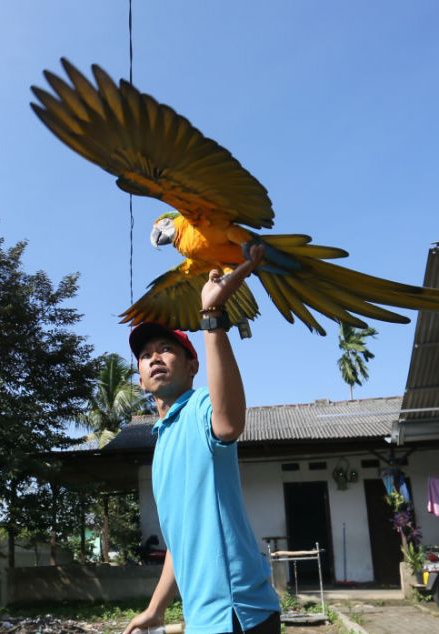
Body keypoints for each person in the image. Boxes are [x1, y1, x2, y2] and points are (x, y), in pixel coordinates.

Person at [123, 245, 281, 634]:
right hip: (203, 620)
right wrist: (156, 609)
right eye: (145, 354)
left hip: (240, 613)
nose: (155, 357)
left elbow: (228, 424)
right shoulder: (161, 441)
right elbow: (180, 541)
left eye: (166, 349)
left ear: (192, 365)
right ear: (141, 377)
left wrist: (211, 319)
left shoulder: (200, 408)